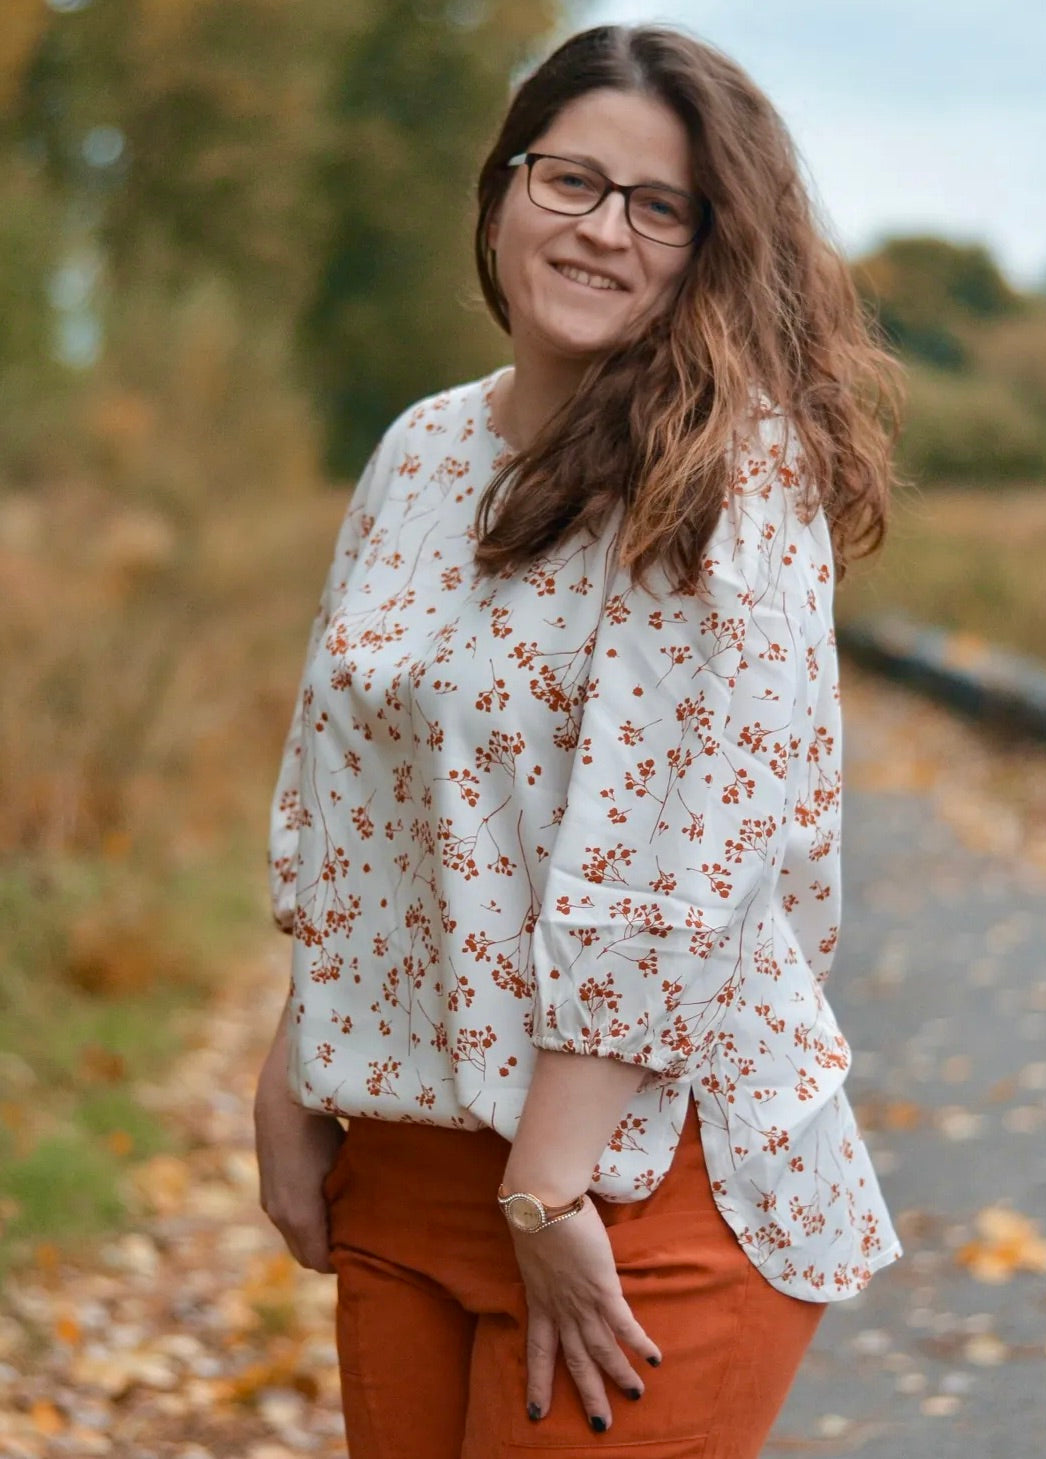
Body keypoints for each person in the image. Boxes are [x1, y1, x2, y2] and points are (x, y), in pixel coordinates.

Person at [254, 22, 903, 1459]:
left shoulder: (727, 482)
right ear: (502, 189)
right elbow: (352, 797)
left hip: (635, 1185)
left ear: (711, 249)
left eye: (659, 206)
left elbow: (674, 875)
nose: (603, 229)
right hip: (407, 1152)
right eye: (570, 180)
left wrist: (545, 1194)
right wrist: (295, 1064)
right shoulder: (422, 450)